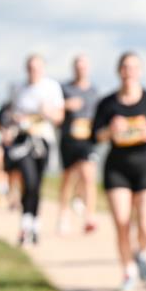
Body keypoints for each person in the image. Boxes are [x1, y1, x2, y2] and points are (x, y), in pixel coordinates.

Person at [92, 52, 146, 291]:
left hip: (145, 165)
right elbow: (96, 136)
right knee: (122, 222)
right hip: (117, 167)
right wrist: (110, 130)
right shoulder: (108, 103)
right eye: (126, 67)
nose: (130, 71)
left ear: (140, 71)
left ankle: (142, 252)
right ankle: (128, 272)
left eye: (134, 67)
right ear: (119, 71)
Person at [5, 54, 64, 246]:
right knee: (28, 181)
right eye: (31, 67)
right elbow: (11, 113)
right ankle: (24, 223)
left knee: (37, 183)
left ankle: (35, 224)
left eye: (37, 67)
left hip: (43, 140)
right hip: (23, 141)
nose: (34, 71)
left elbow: (59, 117)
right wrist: (17, 120)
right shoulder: (18, 88)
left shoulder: (52, 87)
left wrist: (47, 113)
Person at [57, 55, 101, 234]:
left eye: (83, 67)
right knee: (68, 178)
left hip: (87, 140)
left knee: (89, 176)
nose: (80, 70)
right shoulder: (64, 89)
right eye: (78, 66)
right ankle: (63, 215)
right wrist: (66, 105)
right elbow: (55, 111)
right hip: (68, 138)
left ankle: (89, 217)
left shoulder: (94, 91)